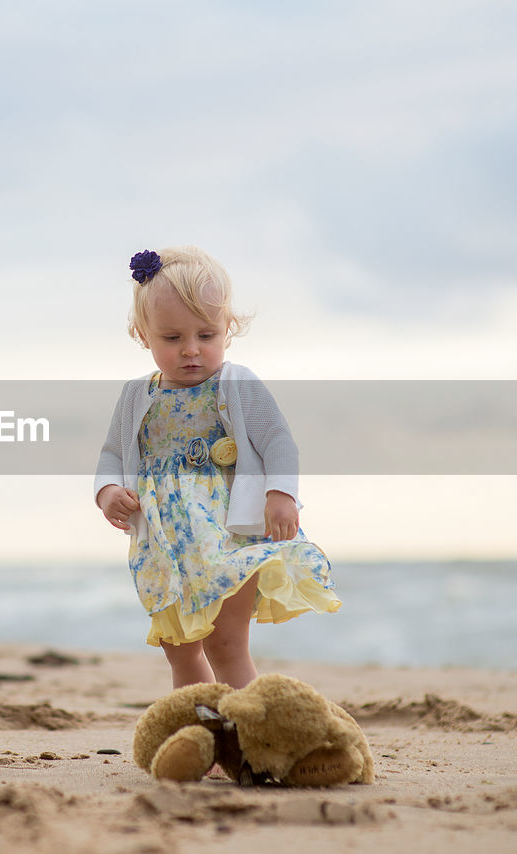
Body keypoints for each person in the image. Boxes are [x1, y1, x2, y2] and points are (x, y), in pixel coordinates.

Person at [94, 246, 340, 690]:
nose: (191, 350)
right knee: (181, 652)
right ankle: (201, 735)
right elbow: (113, 453)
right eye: (172, 339)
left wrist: (280, 494)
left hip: (229, 534)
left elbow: (277, 440)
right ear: (142, 333)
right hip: (165, 546)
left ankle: (250, 734)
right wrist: (109, 491)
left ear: (229, 328)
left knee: (226, 646)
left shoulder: (236, 384)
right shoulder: (135, 396)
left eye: (206, 335)